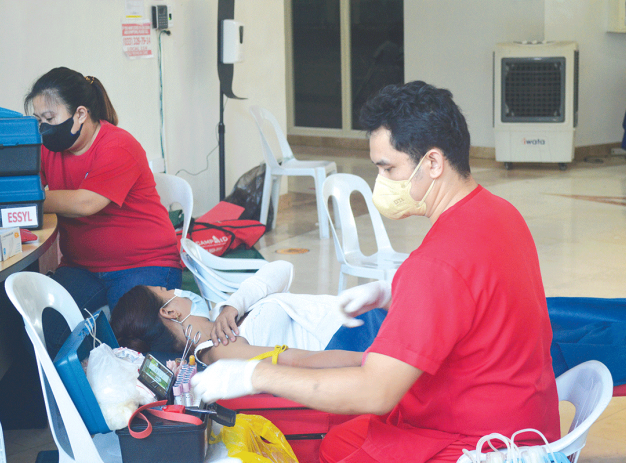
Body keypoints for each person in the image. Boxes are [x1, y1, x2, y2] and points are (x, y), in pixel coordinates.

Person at [191, 81, 561, 463]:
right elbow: (478, 293)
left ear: (432, 163)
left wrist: (254, 376)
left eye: (388, 168)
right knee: (340, 441)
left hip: (481, 443)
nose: (381, 182)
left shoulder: (437, 264)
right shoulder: (501, 213)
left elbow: (376, 391)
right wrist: (389, 291)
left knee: (343, 438)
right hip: (524, 417)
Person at [24, 67, 181, 356]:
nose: (43, 128)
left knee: (139, 340)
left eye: (50, 119)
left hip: (143, 262)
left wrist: (30, 199)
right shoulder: (48, 150)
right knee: (47, 328)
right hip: (83, 266)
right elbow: (25, 184)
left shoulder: (119, 145)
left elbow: (86, 203)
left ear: (81, 114)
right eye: (38, 120)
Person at [110, 259, 387, 367]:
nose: (175, 289)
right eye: (166, 290)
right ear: (169, 311)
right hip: (358, 340)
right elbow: (300, 361)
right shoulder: (218, 351)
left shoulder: (223, 313)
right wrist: (377, 362)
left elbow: (282, 268)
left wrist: (234, 305)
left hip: (362, 317)